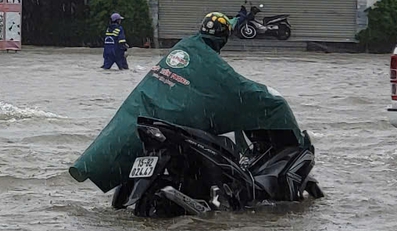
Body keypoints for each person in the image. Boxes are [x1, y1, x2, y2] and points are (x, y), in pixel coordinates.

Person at [68, 11, 309, 193]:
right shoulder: (213, 64)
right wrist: (270, 99)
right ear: (223, 39)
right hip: (176, 123)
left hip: (147, 112)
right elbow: (237, 88)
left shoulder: (184, 46)